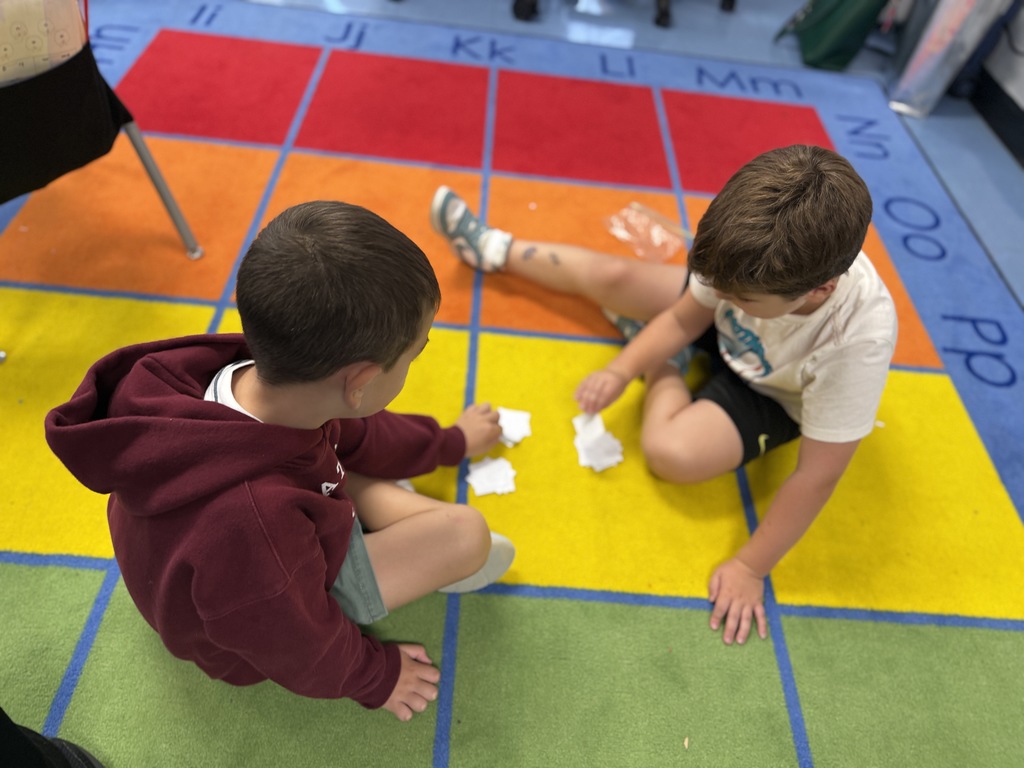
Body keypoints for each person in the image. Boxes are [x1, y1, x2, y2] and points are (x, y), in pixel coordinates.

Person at [45, 201, 515, 722]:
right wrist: (377, 676)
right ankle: (373, 510)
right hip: (249, 620)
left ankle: (360, 504)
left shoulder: (249, 373)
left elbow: (360, 430)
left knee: (343, 453)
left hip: (229, 565)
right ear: (359, 383)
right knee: (466, 535)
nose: (416, 361)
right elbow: (298, 642)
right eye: (415, 354)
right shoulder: (255, 523)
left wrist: (450, 442)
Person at [429, 145, 897, 646]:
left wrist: (750, 566)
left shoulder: (855, 343)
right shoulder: (742, 263)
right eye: (717, 284)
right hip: (733, 326)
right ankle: (494, 247)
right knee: (615, 278)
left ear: (821, 290)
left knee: (672, 453)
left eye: (739, 297)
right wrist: (620, 369)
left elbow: (817, 476)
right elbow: (682, 318)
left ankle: (668, 366)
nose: (721, 295)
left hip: (772, 393)